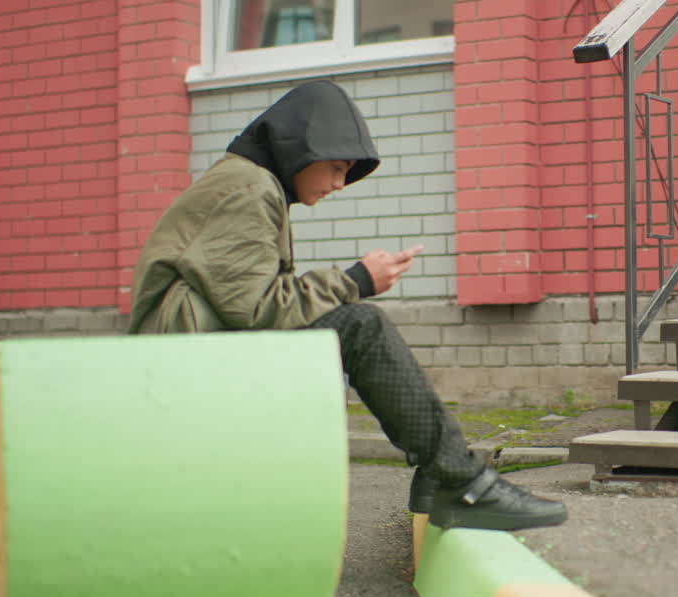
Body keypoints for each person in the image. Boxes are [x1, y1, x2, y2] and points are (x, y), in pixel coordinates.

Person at [127, 80, 567, 531]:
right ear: (299, 149)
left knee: (356, 325)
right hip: (184, 365)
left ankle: (443, 476)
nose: (339, 183)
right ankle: (461, 482)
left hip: (199, 349)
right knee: (360, 327)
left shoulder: (252, 183)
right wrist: (354, 279)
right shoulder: (247, 188)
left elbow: (247, 300)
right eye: (336, 167)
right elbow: (257, 307)